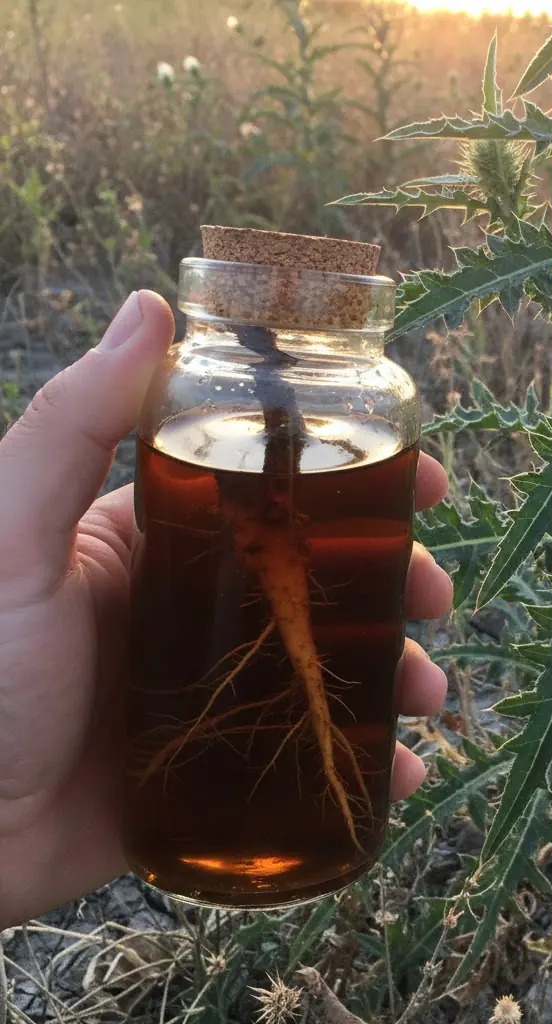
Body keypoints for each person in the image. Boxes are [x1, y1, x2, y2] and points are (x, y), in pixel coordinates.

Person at [0, 291, 453, 928]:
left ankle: (338, 814)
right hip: (131, 813)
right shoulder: (186, 386)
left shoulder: (377, 401)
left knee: (347, 678)